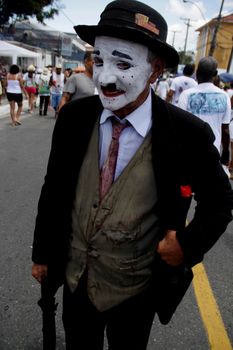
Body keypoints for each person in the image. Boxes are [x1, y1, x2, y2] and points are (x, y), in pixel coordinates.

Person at [31, 1, 233, 349]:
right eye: (99, 60)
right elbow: (54, 188)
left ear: (155, 70)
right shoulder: (74, 119)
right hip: (77, 281)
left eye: (123, 64)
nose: (105, 77)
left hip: (137, 290)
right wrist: (42, 253)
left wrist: (185, 245)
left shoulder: (187, 133)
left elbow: (220, 201)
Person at [178, 57, 231, 168]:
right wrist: (225, 151)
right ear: (216, 74)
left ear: (197, 72)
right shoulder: (224, 96)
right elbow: (225, 130)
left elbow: (179, 125)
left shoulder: (186, 95)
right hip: (213, 153)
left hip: (189, 152)